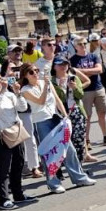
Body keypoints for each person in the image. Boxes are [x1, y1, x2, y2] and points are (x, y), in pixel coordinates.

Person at [18, 63, 95, 194]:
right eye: (31, 72)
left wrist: (65, 116)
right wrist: (46, 86)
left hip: (56, 117)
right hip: (41, 121)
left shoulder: (44, 82)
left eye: (36, 70)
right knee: (49, 153)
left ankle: (79, 177)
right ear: (25, 75)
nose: (35, 73)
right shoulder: (25, 89)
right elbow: (40, 102)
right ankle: (53, 183)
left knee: (69, 148)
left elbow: (57, 99)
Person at [0, 68, 34, 209]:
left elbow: (22, 107)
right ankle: (4, 199)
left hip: (16, 131)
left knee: (18, 164)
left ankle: (18, 194)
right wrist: (2, 92)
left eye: (0, 78)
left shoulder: (9, 94)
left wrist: (17, 93)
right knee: (4, 168)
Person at [70, 35, 106, 151]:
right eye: (80, 44)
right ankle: (87, 140)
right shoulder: (73, 60)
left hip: (98, 87)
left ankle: (105, 136)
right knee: (87, 117)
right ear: (75, 46)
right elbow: (74, 74)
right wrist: (89, 72)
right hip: (85, 90)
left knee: (102, 113)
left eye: (84, 43)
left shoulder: (93, 56)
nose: (83, 46)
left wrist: (82, 71)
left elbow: (99, 70)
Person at [51, 56, 91, 163]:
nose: (63, 67)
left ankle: (79, 165)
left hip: (76, 111)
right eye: (60, 64)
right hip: (60, 114)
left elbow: (80, 95)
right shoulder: (52, 81)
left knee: (78, 139)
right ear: (54, 66)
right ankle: (67, 164)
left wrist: (75, 88)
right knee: (64, 140)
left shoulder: (74, 78)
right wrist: (60, 88)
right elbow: (57, 99)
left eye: (65, 64)